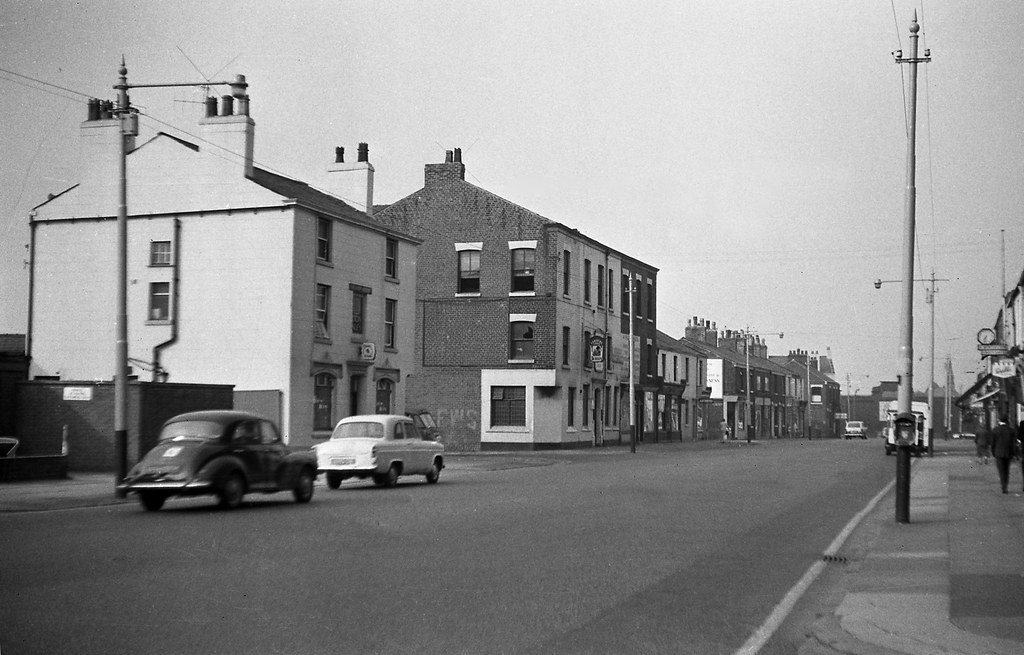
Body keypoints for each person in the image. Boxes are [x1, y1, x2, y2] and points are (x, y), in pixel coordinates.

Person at [989, 414, 1016, 494]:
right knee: (1007, 470)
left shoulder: (995, 430)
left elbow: (993, 443)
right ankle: (1006, 486)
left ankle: (1003, 486)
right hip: (1008, 453)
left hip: (998, 453)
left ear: (999, 420)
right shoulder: (1011, 430)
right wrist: (1013, 453)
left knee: (1001, 471)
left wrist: (993, 452)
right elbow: (1013, 443)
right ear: (1007, 420)